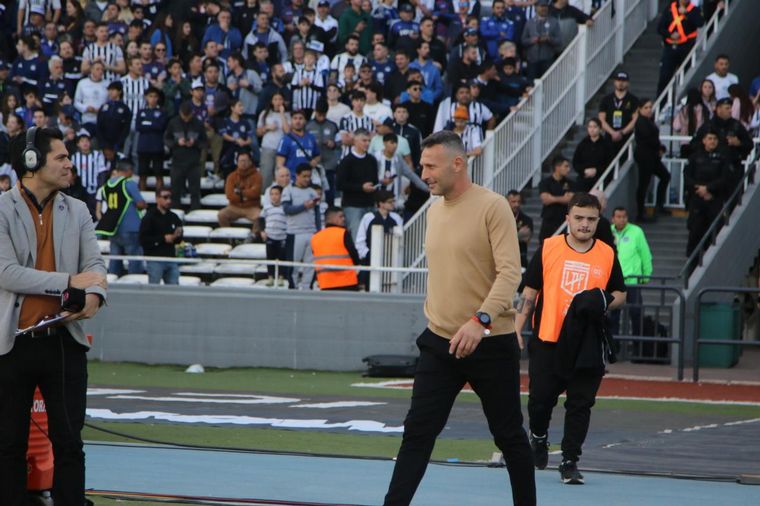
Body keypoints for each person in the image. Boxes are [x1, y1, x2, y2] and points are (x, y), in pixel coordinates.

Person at [383, 131, 536, 506]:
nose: (424, 174)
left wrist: (479, 319)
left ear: (457, 163)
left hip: (490, 340)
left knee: (510, 437)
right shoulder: (433, 209)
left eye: (430, 166)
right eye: (422, 166)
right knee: (417, 433)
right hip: (439, 342)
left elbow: (509, 273)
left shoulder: (492, 206)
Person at [0, 126, 107, 506]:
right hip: (11, 345)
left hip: (64, 342)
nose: (69, 163)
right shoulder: (0, 209)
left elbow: (95, 266)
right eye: (61, 157)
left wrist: (94, 295)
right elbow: (6, 272)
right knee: (8, 445)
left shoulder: (77, 210)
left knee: (69, 444)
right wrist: (69, 281)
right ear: (31, 162)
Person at [516, 192, 626, 485]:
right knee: (540, 401)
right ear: (567, 219)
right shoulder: (549, 247)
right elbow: (530, 291)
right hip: (549, 338)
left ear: (598, 220)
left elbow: (620, 293)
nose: (584, 224)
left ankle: (569, 461)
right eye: (578, 218)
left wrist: (603, 299)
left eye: (591, 219)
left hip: (588, 343)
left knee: (580, 404)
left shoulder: (606, 253)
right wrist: (516, 327)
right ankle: (538, 437)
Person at [684, 128, 732, 256]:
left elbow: (725, 178)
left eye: (715, 139)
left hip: (714, 199)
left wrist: (709, 189)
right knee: (695, 232)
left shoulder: (723, 158)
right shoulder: (695, 157)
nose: (712, 141)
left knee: (715, 232)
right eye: (710, 139)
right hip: (697, 200)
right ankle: (692, 264)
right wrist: (700, 190)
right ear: (704, 140)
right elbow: (688, 177)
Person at [95, 158, 146, 276]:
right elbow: (140, 203)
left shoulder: (107, 186)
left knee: (115, 260)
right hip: (131, 228)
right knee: (134, 261)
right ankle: (134, 284)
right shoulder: (128, 183)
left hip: (114, 228)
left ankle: (112, 282)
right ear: (128, 170)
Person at [609, 206, 652, 337]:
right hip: (615, 282)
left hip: (633, 281)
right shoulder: (609, 232)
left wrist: (646, 276)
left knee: (636, 314)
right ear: (613, 219)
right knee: (613, 316)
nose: (622, 220)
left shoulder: (636, 231)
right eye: (619, 217)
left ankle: (637, 347)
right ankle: (614, 348)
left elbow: (646, 255)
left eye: (624, 217)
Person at [282, 164, 320, 289]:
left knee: (310, 264)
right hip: (295, 232)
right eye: (304, 176)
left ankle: (306, 287)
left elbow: (317, 214)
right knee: (294, 264)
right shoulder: (289, 190)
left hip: (311, 232)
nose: (307, 179)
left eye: (309, 176)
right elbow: (287, 209)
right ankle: (292, 287)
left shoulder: (313, 192)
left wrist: (318, 232)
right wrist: (304, 206)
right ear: (297, 176)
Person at [164, 101, 207, 210]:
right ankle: (175, 214)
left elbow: (205, 142)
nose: (186, 119)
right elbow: (166, 139)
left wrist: (195, 143)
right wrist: (177, 143)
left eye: (188, 116)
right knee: (175, 191)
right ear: (180, 113)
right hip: (177, 162)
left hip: (194, 162)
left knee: (195, 192)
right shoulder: (173, 122)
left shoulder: (198, 123)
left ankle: (196, 214)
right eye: (184, 116)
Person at [336, 128, 378, 238]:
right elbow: (340, 184)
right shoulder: (346, 161)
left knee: (372, 237)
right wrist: (361, 188)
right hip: (353, 206)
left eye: (369, 140)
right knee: (357, 236)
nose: (367, 143)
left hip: (370, 204)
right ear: (355, 141)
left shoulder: (372, 160)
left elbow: (375, 180)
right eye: (364, 140)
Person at [633, 99, 671, 221]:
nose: (649, 109)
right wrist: (659, 147)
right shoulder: (640, 122)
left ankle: (659, 206)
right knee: (644, 184)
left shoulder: (649, 121)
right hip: (645, 156)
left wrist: (660, 147)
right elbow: (647, 139)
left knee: (665, 176)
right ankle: (640, 213)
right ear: (640, 109)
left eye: (650, 107)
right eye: (646, 107)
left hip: (652, 156)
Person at [656, 0, 703, 94]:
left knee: (685, 76)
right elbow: (660, 28)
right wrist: (670, 35)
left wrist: (687, 13)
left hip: (686, 48)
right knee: (665, 77)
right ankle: (662, 104)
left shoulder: (694, 9)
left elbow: (700, 23)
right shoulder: (670, 8)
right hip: (670, 47)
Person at [139, 188, 183, 285]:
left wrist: (177, 236)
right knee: (154, 289)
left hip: (171, 258)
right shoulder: (149, 217)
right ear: (157, 199)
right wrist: (163, 238)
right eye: (165, 197)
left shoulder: (173, 217)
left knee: (174, 289)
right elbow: (143, 240)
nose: (168, 200)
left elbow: (179, 237)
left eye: (170, 197)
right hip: (155, 259)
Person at [311, 206, 362, 290]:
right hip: (347, 281)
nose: (344, 219)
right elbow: (354, 254)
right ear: (330, 218)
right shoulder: (343, 233)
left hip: (325, 283)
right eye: (340, 216)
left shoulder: (315, 237)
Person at [218, 151, 263, 229]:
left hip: (252, 207)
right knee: (221, 215)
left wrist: (240, 193)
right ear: (237, 162)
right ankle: (229, 239)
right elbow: (230, 195)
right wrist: (245, 196)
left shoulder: (257, 176)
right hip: (234, 207)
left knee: (260, 217)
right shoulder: (231, 176)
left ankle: (252, 238)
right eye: (241, 161)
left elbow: (255, 193)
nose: (243, 163)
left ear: (250, 162)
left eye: (245, 161)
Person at [598, 71, 638, 156]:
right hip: (609, 136)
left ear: (628, 83)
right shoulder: (606, 99)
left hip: (626, 136)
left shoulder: (633, 100)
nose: (621, 83)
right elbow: (601, 119)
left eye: (623, 81)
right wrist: (612, 133)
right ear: (614, 82)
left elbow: (635, 119)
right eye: (618, 80)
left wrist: (622, 132)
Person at [521, 0, 561, 79]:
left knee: (548, 83)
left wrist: (549, 39)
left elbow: (559, 41)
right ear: (536, 7)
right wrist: (533, 40)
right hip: (532, 60)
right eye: (541, 6)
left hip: (547, 59)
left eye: (545, 6)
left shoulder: (554, 22)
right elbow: (523, 40)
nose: (544, 8)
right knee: (532, 84)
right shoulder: (529, 22)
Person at [538, 156, 574, 241]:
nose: (568, 169)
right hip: (549, 220)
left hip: (563, 220)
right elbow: (545, 200)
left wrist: (552, 198)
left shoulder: (570, 183)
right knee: (545, 245)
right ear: (557, 167)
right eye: (566, 166)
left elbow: (570, 199)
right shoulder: (545, 182)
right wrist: (563, 198)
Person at [572, 118, 613, 192]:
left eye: (595, 127)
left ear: (600, 129)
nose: (592, 129)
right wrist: (584, 171)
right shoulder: (582, 144)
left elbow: (609, 163)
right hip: (584, 178)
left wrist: (596, 170)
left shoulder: (606, 145)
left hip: (600, 178)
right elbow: (575, 163)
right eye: (590, 127)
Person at [260, 184, 288, 284]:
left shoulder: (285, 208)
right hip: (270, 236)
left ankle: (281, 277)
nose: (274, 196)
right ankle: (270, 277)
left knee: (282, 257)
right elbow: (261, 219)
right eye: (272, 194)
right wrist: (262, 231)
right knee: (270, 257)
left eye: (277, 194)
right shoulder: (267, 208)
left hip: (282, 237)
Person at [507, 190, 533, 269]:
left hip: (520, 259)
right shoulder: (500, 218)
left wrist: (507, 236)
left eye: (518, 202)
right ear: (506, 202)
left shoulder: (527, 220)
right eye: (513, 202)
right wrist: (518, 235)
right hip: (504, 259)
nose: (517, 204)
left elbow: (526, 238)